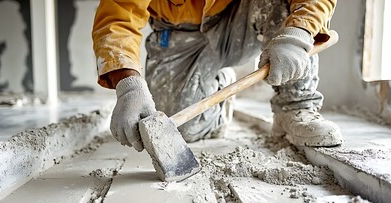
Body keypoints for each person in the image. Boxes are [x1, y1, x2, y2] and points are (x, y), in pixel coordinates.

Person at [92, 0, 343, 152]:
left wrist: (299, 33)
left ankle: (296, 105)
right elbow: (118, 17)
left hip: (241, 16)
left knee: (275, 3)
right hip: (179, 32)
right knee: (184, 129)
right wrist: (128, 85)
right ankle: (219, 88)